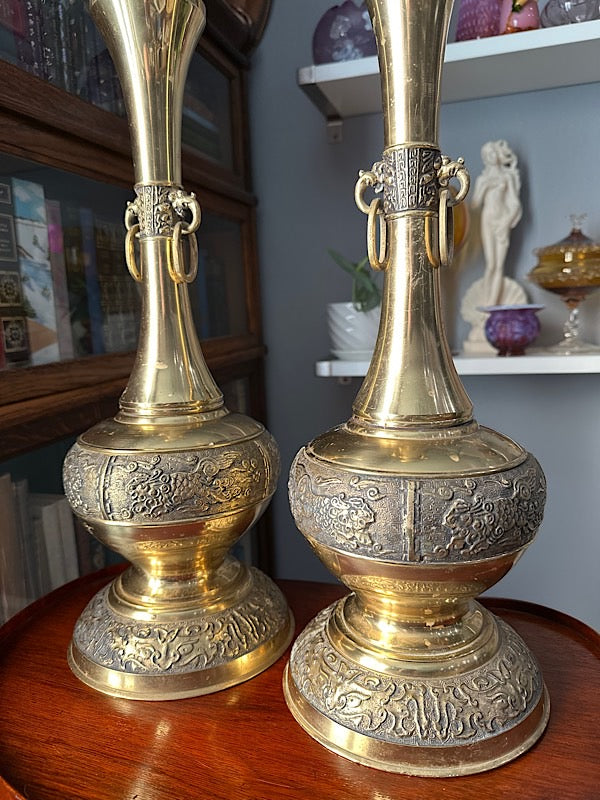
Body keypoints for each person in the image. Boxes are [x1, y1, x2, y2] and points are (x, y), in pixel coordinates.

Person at [471, 140, 522, 307]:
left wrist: (506, 221)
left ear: (498, 155)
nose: (490, 156)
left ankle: (493, 306)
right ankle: (486, 305)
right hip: (487, 219)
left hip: (502, 221)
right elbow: (475, 205)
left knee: (499, 265)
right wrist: (484, 187)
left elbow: (515, 203)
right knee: (490, 264)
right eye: (487, 154)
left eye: (493, 152)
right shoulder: (482, 179)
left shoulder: (507, 177)